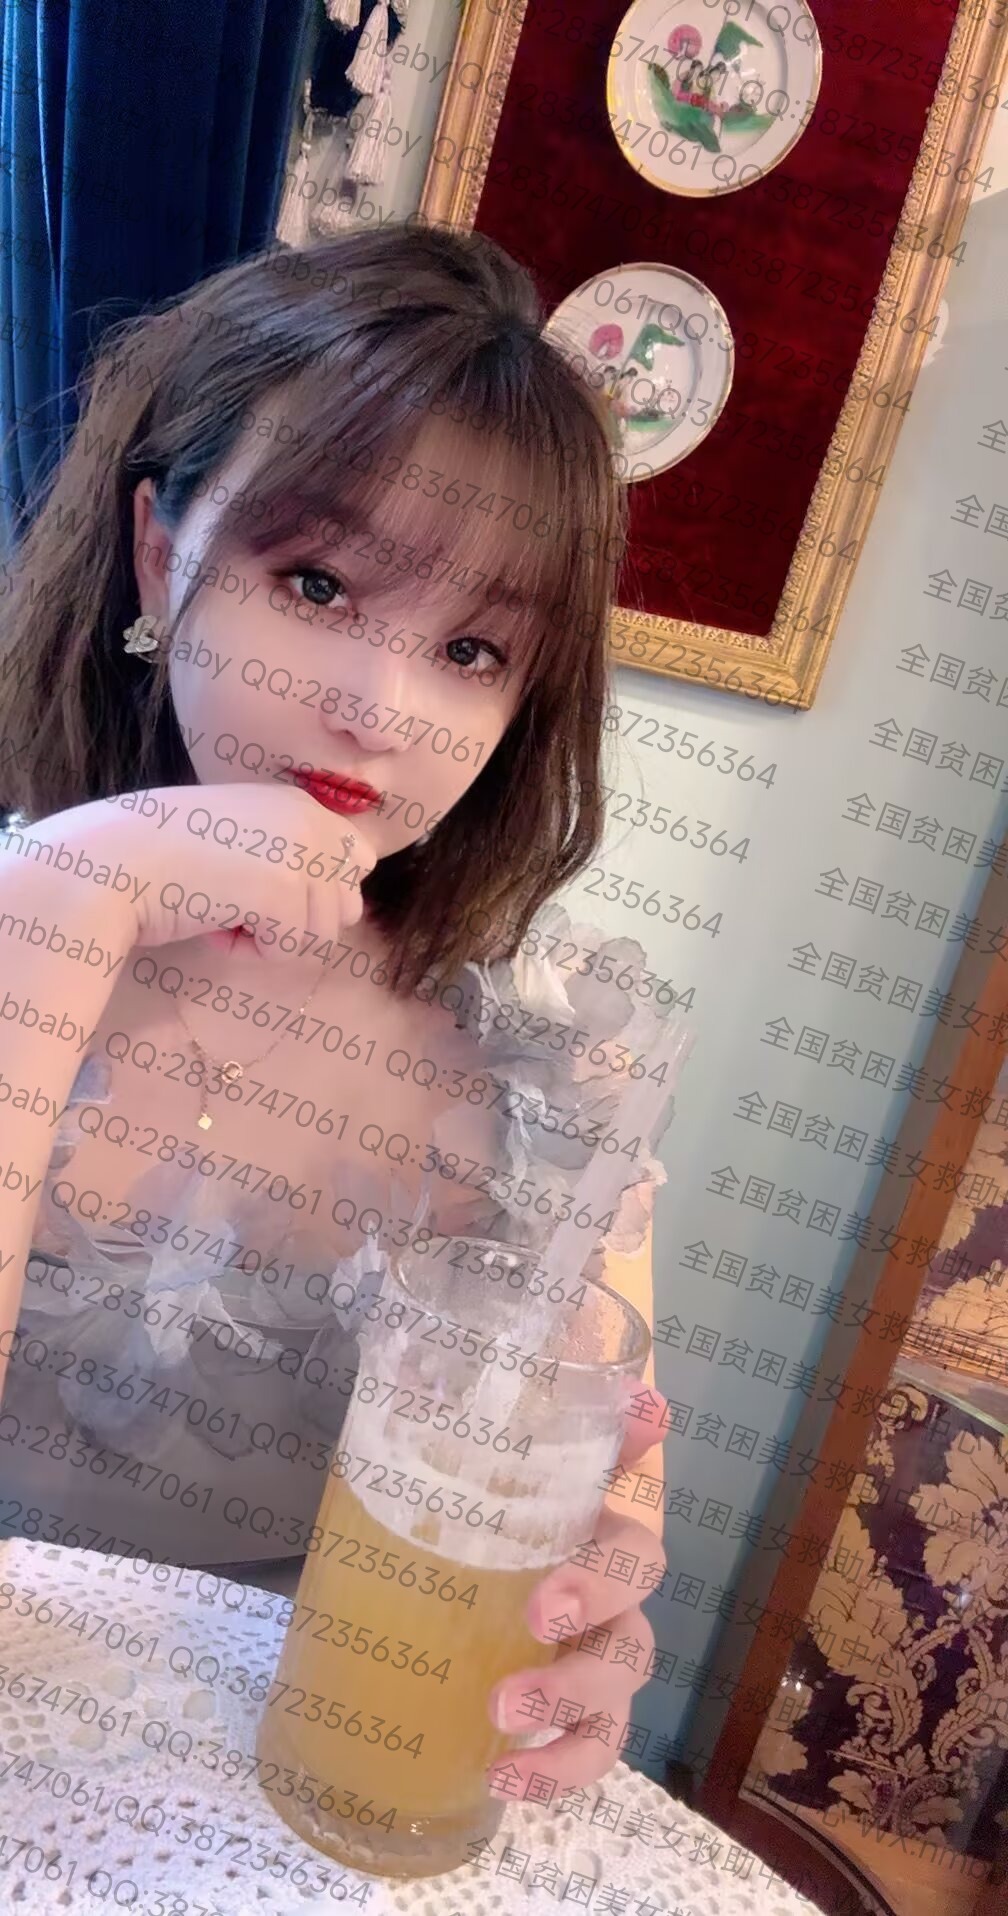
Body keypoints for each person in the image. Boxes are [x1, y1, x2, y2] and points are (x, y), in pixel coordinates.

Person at [0, 223, 686, 1796]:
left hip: (284, 1799)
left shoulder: (550, 1082)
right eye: (314, 583)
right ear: (161, 554)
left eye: (472, 649)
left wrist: (588, 1629)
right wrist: (71, 897)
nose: (381, 710)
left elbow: (589, 1550)